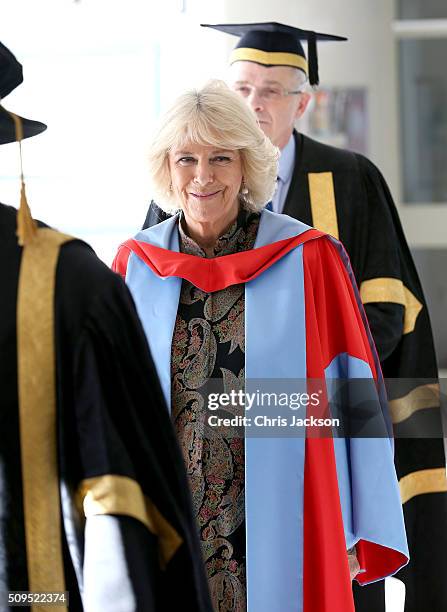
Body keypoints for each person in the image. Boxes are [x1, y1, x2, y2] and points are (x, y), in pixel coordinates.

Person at [142, 22, 447, 612]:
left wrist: (255, 398)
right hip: (191, 482)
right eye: (244, 88)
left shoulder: (337, 203)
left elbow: (367, 329)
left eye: (273, 90)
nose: (255, 103)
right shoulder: (155, 235)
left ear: (302, 102)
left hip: (311, 440)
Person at [0, 41, 212, 612]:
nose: (202, 176)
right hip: (172, 481)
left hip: (269, 492)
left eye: (222, 157)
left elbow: (348, 396)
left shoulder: (309, 256)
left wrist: (239, 410)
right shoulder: (132, 262)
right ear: (161, 169)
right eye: (185, 159)